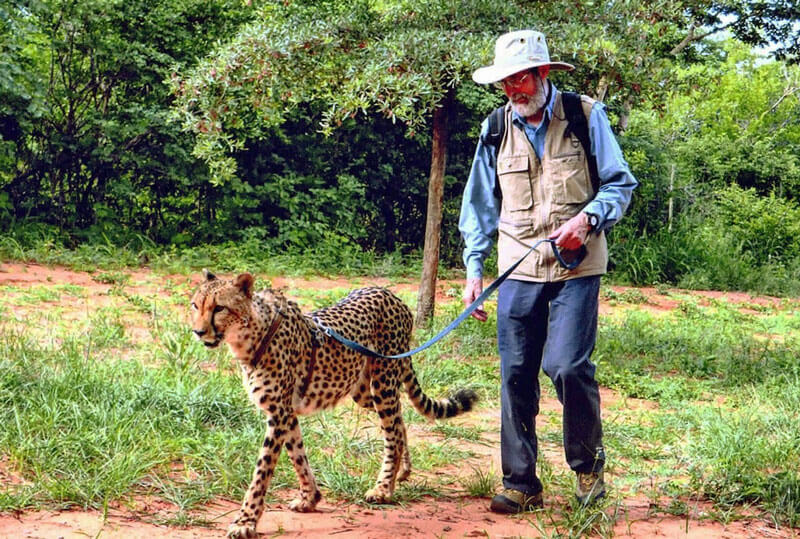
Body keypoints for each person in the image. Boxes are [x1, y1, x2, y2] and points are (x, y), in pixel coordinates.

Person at [459, 29, 638, 513]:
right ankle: (521, 482)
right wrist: (474, 269)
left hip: (577, 266)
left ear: (541, 74)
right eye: (505, 84)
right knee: (515, 372)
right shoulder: (496, 127)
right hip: (517, 266)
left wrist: (589, 219)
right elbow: (478, 204)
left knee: (566, 366)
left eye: (519, 79)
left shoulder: (584, 115)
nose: (513, 91)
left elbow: (620, 184)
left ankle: (587, 471)